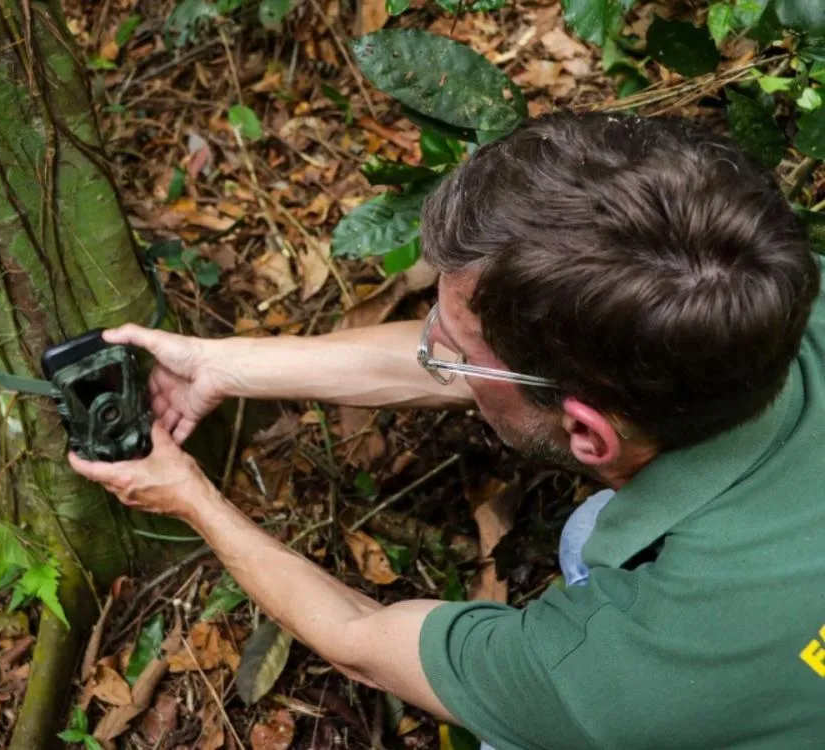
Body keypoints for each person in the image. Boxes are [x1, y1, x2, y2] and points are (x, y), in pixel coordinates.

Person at [70, 113, 825, 749]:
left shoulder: (630, 667)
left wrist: (191, 497)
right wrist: (216, 365)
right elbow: (488, 366)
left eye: (454, 349)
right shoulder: (767, 291)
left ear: (588, 433)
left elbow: (365, 643)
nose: (429, 342)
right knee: (593, 531)